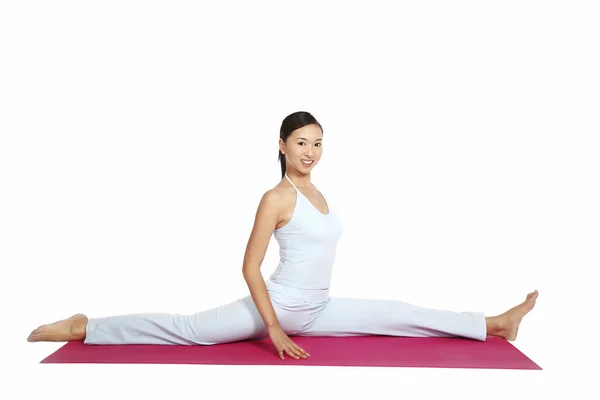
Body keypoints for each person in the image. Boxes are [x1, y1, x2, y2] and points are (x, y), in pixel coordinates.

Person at [27, 111, 538, 361]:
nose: (311, 151)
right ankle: (84, 327)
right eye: (301, 143)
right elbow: (249, 267)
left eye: (318, 143)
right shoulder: (276, 197)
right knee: (187, 329)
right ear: (282, 144)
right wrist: (272, 329)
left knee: (398, 312)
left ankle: (494, 323)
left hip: (318, 306)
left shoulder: (320, 194)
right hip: (281, 307)